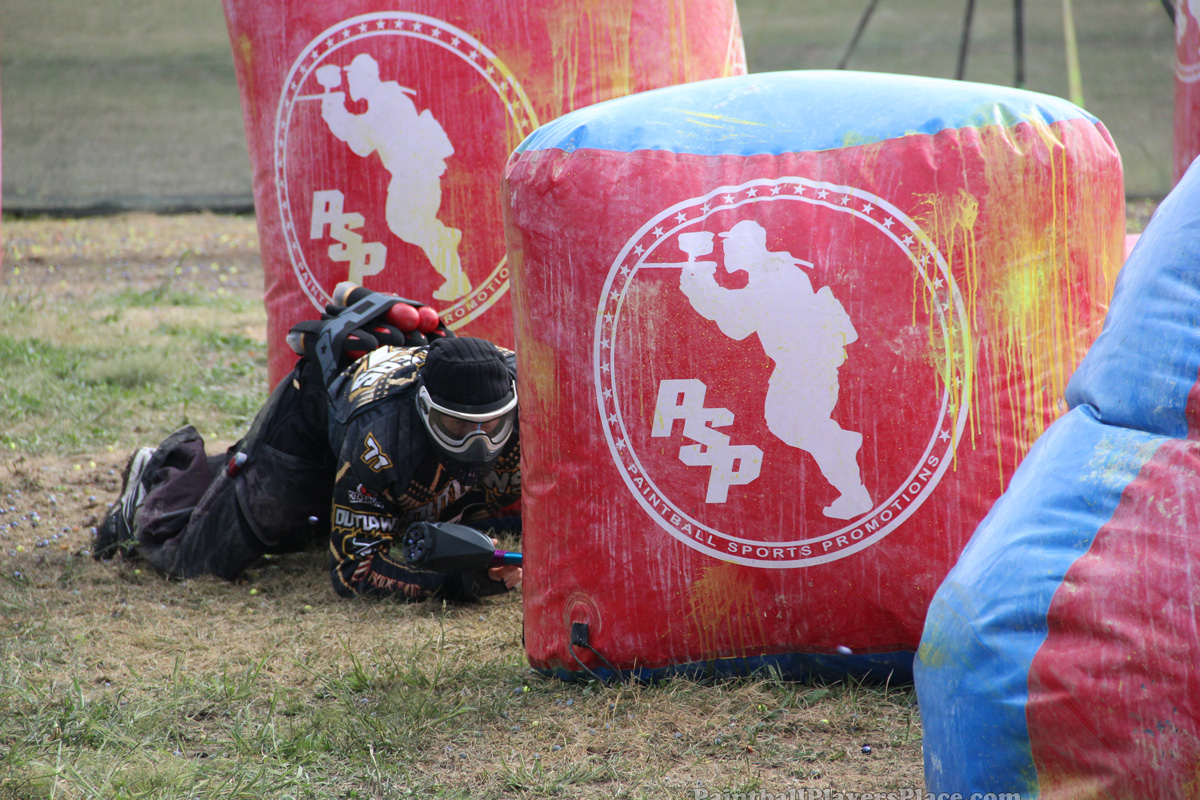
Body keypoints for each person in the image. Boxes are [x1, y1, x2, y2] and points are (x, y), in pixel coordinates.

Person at [93, 326, 523, 602]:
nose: (479, 444)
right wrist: (459, 585)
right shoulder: (381, 438)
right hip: (311, 426)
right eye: (458, 426)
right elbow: (354, 572)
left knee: (365, 521)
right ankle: (159, 473)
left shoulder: (538, 399)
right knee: (199, 558)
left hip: (384, 427)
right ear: (426, 409)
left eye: (493, 425)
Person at [679, 219, 872, 520]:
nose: (726, 250)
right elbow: (739, 312)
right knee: (783, 422)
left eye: (731, 245)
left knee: (807, 428)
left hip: (808, 366)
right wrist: (702, 284)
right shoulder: (773, 272)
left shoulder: (775, 277)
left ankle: (852, 486)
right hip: (796, 365)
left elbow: (737, 321)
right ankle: (837, 445)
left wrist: (701, 284)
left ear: (747, 247)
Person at [321, 53, 470, 302]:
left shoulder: (387, 101)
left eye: (353, 78)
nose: (350, 84)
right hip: (410, 175)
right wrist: (334, 109)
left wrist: (334, 109)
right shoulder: (383, 100)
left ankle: (450, 257)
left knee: (412, 225)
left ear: (366, 78)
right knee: (407, 225)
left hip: (416, 175)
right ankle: (447, 248)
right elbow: (362, 139)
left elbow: (361, 138)